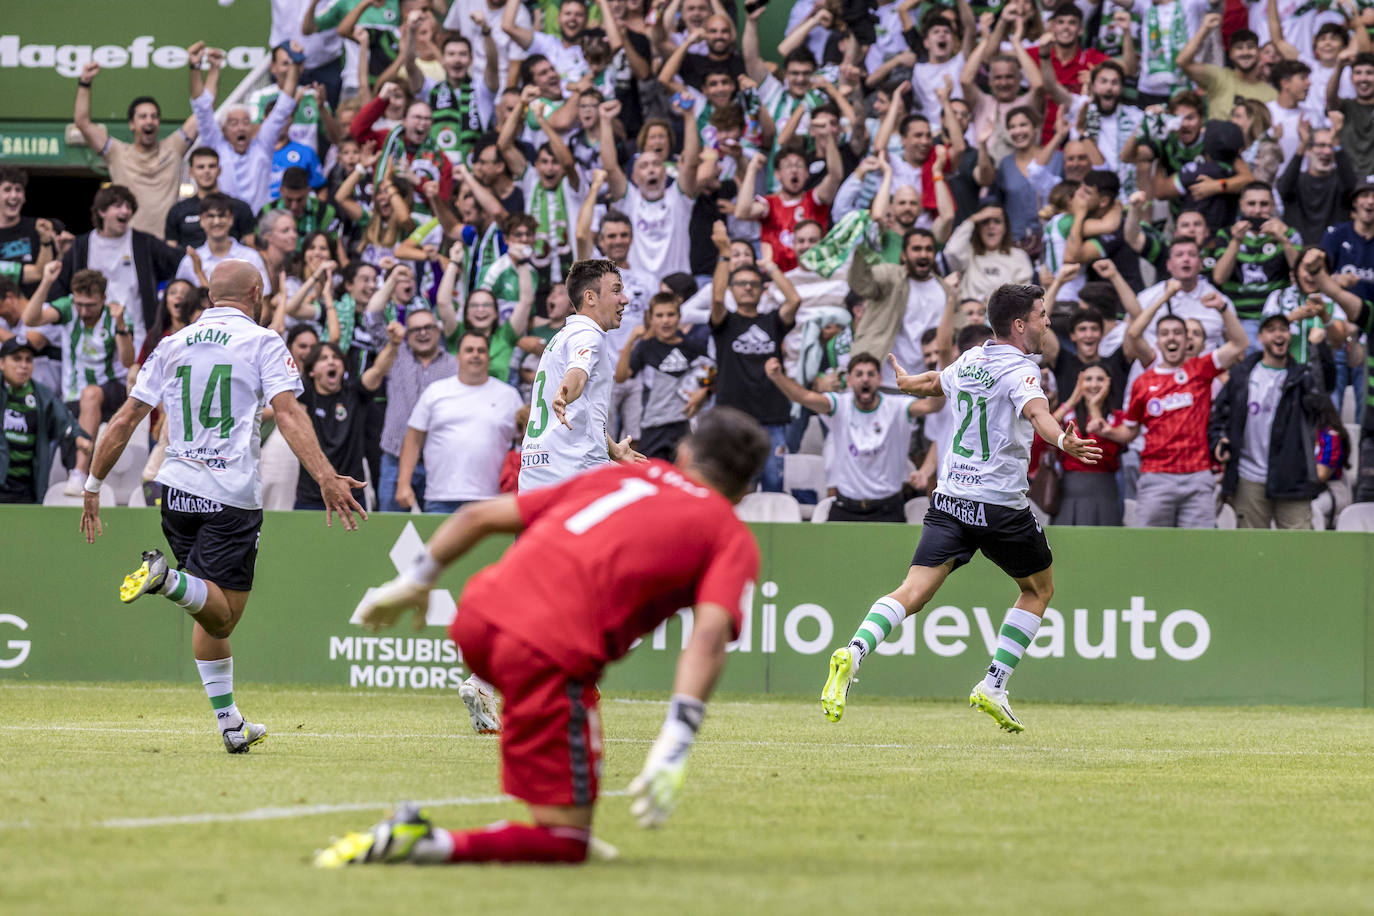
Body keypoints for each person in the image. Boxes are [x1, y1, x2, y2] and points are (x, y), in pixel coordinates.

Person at [313, 406, 768, 868]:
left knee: (572, 807)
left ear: (686, 453)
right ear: (748, 487)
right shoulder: (729, 534)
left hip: (478, 618)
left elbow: (479, 517)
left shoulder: (616, 477)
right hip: (541, 649)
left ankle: (563, 817)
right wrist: (676, 739)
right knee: (565, 842)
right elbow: (709, 637)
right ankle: (421, 840)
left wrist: (413, 581)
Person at [78, 260, 366, 754]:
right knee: (225, 617)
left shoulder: (171, 344)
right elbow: (290, 414)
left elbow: (126, 417)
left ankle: (231, 724)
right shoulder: (263, 341)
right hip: (230, 495)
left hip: (175, 493)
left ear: (211, 296)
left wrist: (91, 484)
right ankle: (164, 578)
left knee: (206, 610)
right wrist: (325, 476)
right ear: (256, 292)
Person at [820, 284, 1103, 733]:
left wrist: (908, 381)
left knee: (911, 592)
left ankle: (853, 652)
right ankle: (994, 683)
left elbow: (936, 382)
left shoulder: (971, 360)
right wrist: (1064, 439)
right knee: (1038, 590)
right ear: (1019, 324)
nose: (1048, 322)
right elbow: (1038, 416)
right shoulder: (1022, 372)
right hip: (1000, 507)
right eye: (1042, 314)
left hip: (951, 499)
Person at [1093, 286, 1249, 527]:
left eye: (1178, 332)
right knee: (1152, 550)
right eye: (1165, 333)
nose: (1172, 337)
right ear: (1158, 340)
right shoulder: (1143, 382)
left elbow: (1240, 344)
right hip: (1156, 478)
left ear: (1187, 340)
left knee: (1198, 551)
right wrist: (1108, 431)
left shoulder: (1201, 369)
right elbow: (1130, 431)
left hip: (1197, 477)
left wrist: (1223, 308)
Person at [764, 352, 938, 523]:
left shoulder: (897, 407)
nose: (865, 379)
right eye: (859, 374)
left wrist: (942, 375)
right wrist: (777, 377)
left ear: (879, 379)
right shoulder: (839, 406)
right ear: (849, 380)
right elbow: (803, 397)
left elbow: (932, 406)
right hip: (845, 506)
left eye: (871, 374)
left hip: (888, 508)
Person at [520, 258, 640, 491]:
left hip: (537, 472)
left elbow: (580, 409)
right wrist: (565, 393)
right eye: (616, 290)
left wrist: (612, 449)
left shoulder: (563, 336)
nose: (624, 300)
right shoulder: (588, 336)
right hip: (575, 474)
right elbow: (577, 374)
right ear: (590, 298)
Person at [1209, 306, 1327, 529]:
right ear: (1261, 336)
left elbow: (1321, 398)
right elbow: (1219, 416)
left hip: (1292, 477)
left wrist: (1316, 349)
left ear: (1290, 335)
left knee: (1299, 551)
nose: (1279, 334)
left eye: (1283, 329)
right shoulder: (1242, 374)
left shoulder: (1303, 377)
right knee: (1252, 552)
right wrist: (1218, 440)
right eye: (1271, 329)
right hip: (1248, 477)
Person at [23, 262, 135, 495]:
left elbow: (127, 361)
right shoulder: (67, 308)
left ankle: (81, 473)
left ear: (103, 298)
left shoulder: (116, 314)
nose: (83, 312)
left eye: (90, 306)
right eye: (79, 305)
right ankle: (77, 490)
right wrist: (46, 282)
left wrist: (121, 327)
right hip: (73, 396)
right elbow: (30, 320)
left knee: (91, 394)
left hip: (112, 391)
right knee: (71, 437)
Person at [707, 224, 802, 492]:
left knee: (774, 484)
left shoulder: (772, 321)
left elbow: (794, 301)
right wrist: (725, 256)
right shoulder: (725, 322)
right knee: (736, 487)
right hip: (733, 418)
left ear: (762, 289)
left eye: (753, 284)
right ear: (733, 289)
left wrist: (771, 267)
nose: (747, 288)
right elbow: (716, 298)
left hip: (772, 416)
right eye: (741, 284)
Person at [397, 330, 524, 515]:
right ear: (458, 356)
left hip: (493, 499)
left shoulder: (509, 396)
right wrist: (403, 484)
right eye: (469, 350)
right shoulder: (436, 392)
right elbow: (413, 440)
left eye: (481, 350)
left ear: (489, 357)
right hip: (440, 499)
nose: (475, 355)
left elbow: (526, 441)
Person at [73, 59, 198, 238]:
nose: (149, 121)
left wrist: (197, 67)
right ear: (132, 124)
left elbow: (202, 113)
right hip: (128, 244)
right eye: (143, 116)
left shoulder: (174, 147)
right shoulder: (117, 152)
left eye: (154, 117)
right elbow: (82, 123)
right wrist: (85, 82)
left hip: (166, 244)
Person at [296, 332, 399, 511]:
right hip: (311, 496)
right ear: (311, 371)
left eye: (336, 357)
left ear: (343, 367)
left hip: (352, 495)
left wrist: (394, 344)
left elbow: (378, 370)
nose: (331, 362)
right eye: (323, 358)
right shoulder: (305, 397)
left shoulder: (354, 394)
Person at [0, 337, 91, 504]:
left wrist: (78, 437)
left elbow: (66, 421)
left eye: (28, 360)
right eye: (17, 359)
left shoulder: (42, 396)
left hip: (25, 489)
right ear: (2, 363)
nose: (23, 365)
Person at [165, 148, 257, 249]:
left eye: (211, 166)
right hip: (189, 262)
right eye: (201, 167)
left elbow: (251, 248)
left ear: (219, 170)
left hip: (230, 263)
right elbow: (170, 253)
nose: (206, 171)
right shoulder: (178, 210)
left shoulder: (239, 207)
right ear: (191, 172)